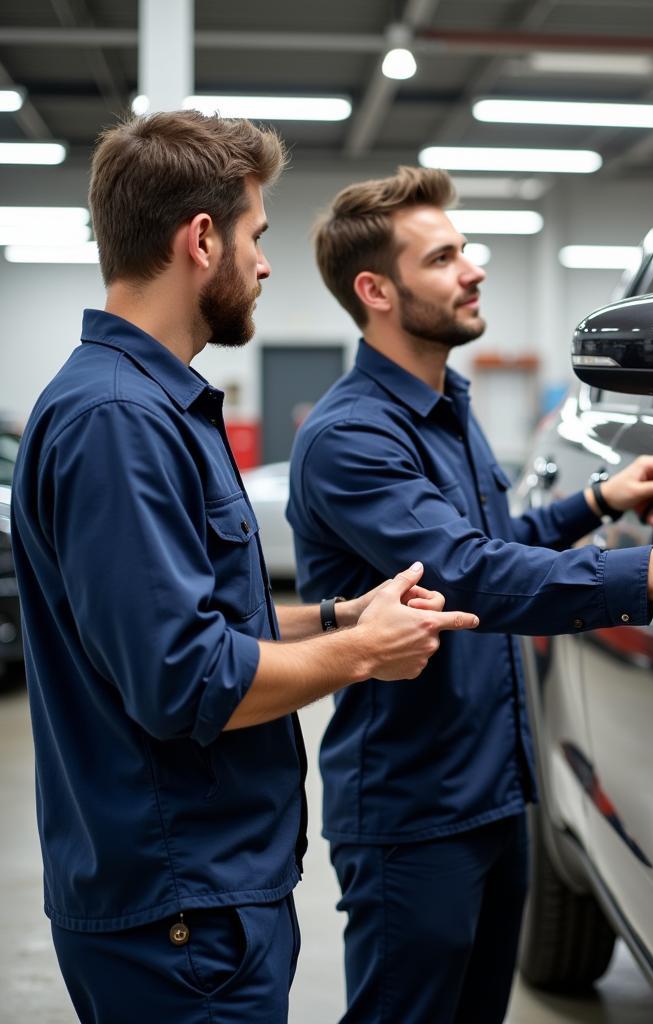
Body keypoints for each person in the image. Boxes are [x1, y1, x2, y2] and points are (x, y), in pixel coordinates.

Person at [286, 166, 653, 1024]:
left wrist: (596, 503)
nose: (473, 269)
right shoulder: (351, 439)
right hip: (414, 809)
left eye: (465, 250)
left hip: (494, 789)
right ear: (375, 290)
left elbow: (491, 543)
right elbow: (468, 575)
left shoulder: (445, 404)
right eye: (442, 259)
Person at [11, 116, 476, 1024]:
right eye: (257, 237)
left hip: (202, 896)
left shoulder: (152, 406)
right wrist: (364, 656)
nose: (265, 265)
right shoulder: (118, 422)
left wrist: (341, 620)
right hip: (180, 912)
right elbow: (185, 682)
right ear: (201, 239)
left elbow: (203, 626)